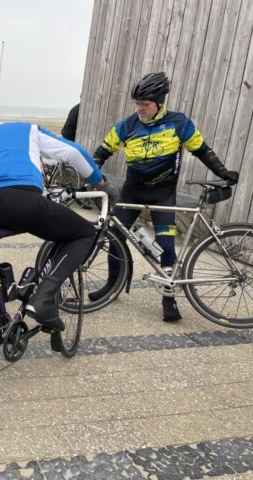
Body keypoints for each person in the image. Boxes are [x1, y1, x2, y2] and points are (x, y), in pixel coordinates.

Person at [89, 72, 239, 322]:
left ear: (160, 103)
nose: (139, 109)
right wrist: (91, 174)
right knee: (115, 237)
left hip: (163, 195)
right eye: (137, 104)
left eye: (145, 104)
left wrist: (223, 172)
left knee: (166, 246)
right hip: (132, 193)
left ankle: (169, 298)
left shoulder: (178, 123)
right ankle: (112, 286)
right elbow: (101, 152)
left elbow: (202, 150)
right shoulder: (128, 125)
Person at [0, 122, 119, 331]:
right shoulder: (29, 130)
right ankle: (43, 298)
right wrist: (102, 184)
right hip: (18, 197)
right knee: (84, 233)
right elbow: (73, 153)